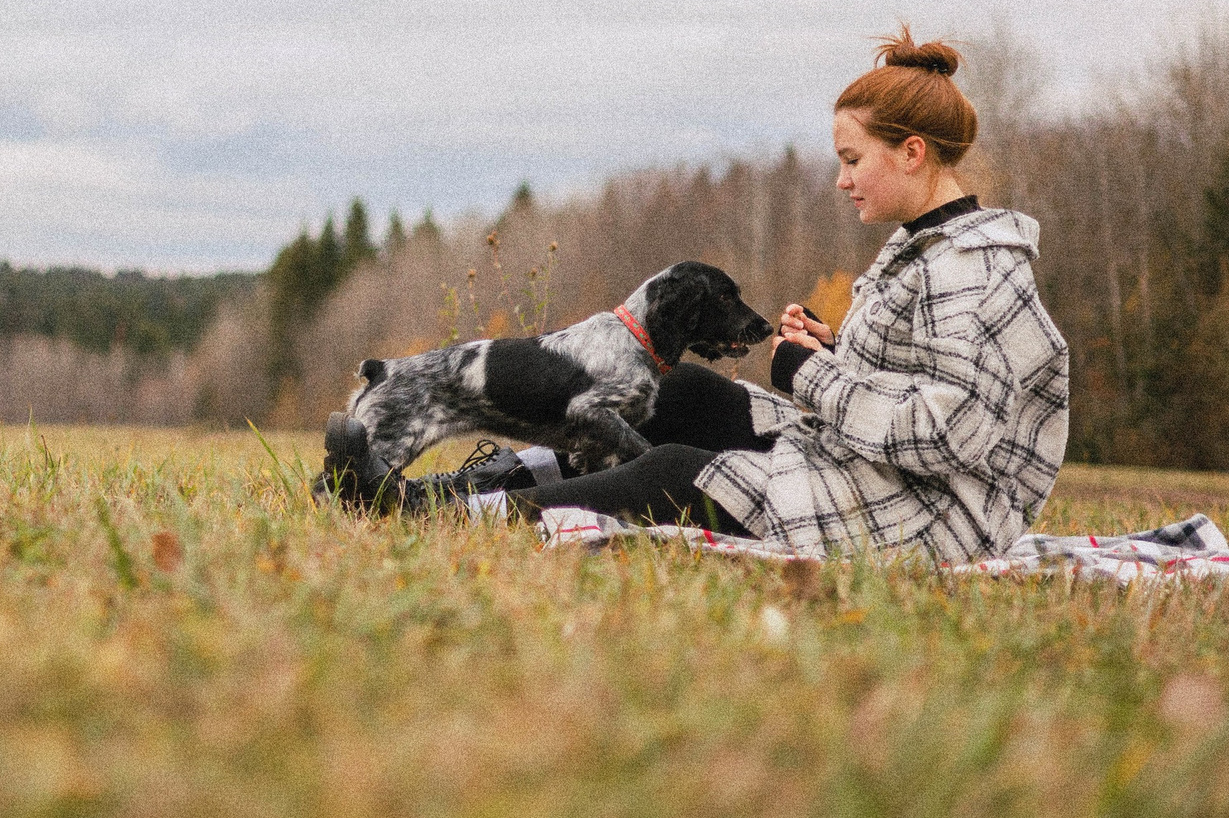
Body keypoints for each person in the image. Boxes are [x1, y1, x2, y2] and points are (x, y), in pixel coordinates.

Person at [388, 29, 1070, 564]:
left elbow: (952, 433)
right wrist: (833, 348)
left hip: (932, 517)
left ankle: (448, 517)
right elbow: (926, 378)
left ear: (912, 153)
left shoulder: (971, 271)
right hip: (875, 469)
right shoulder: (929, 247)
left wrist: (814, 375)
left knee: (683, 474)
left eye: (853, 160)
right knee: (676, 393)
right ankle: (455, 487)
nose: (842, 180)